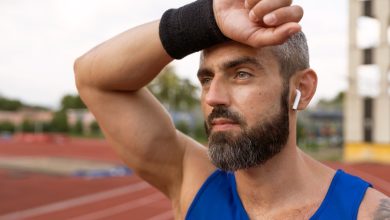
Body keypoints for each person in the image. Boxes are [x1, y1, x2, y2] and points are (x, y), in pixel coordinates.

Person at [74, 0, 389, 219]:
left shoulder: (367, 213)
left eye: (241, 74)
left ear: (302, 89)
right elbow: (92, 78)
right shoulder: (193, 181)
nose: (213, 97)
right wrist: (206, 17)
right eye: (206, 78)